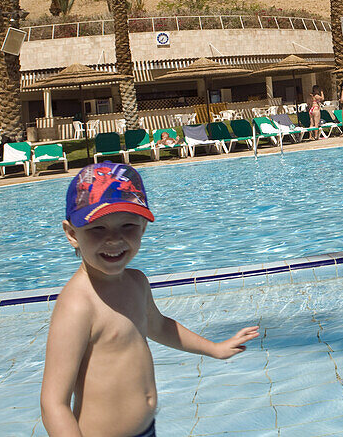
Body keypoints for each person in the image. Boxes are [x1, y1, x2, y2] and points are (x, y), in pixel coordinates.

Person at [41, 163, 259, 437]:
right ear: (72, 234)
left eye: (128, 225)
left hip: (146, 430)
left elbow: (158, 326)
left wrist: (214, 349)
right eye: (98, 229)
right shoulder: (78, 305)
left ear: (143, 228)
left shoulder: (136, 282)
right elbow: (53, 403)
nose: (114, 239)